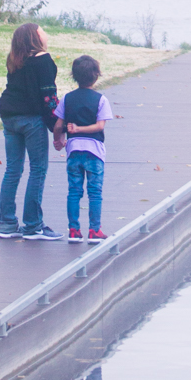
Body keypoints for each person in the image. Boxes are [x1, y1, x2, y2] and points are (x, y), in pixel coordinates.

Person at [0, 22, 61, 241]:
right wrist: (57, 128)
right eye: (42, 31)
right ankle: (33, 225)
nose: (46, 33)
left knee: (13, 169)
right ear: (35, 37)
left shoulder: (14, 59)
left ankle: (6, 224)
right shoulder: (43, 60)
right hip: (31, 118)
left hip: (9, 116)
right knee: (38, 169)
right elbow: (49, 97)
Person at [59, 52, 111, 241]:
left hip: (73, 150)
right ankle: (94, 230)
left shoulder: (66, 99)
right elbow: (100, 126)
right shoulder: (101, 100)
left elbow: (58, 124)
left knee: (74, 191)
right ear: (96, 76)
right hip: (94, 152)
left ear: (74, 76)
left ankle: (74, 230)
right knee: (95, 192)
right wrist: (81, 128)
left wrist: (58, 139)